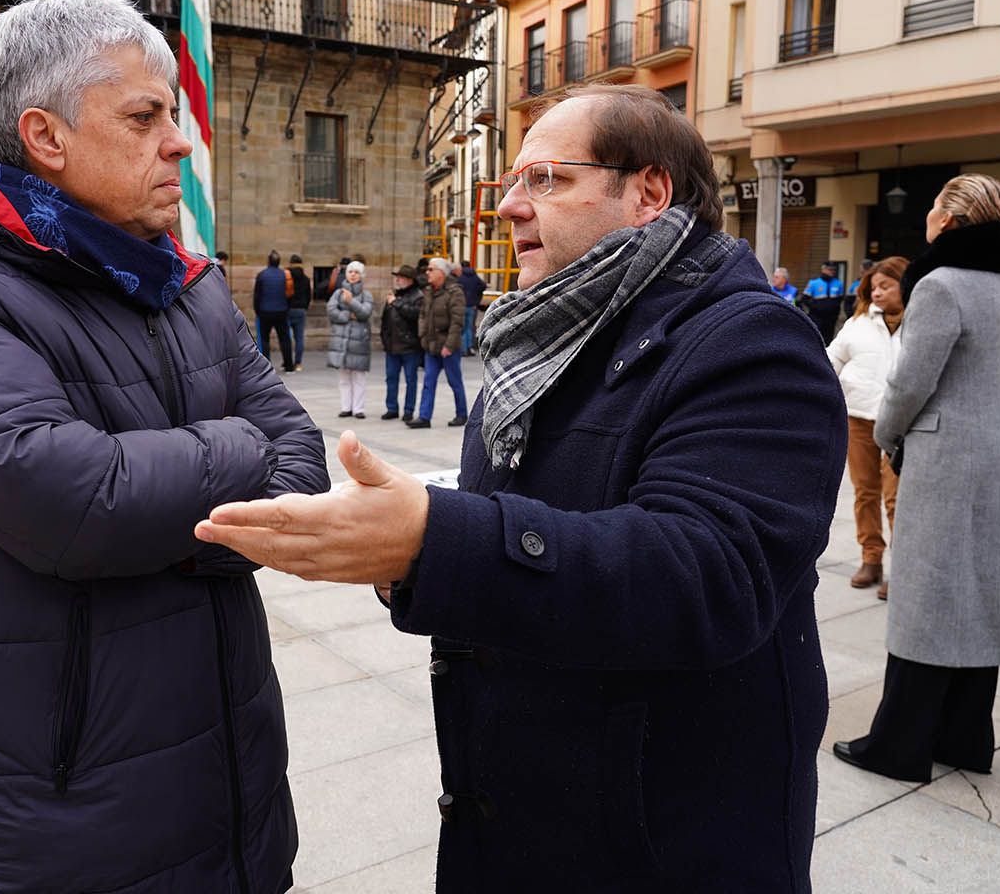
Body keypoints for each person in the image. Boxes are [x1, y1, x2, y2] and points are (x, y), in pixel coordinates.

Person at [196, 84, 846, 891]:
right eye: (511, 182)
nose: (508, 207)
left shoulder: (750, 340)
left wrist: (434, 539)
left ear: (648, 192)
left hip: (659, 841)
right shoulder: (550, 332)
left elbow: (712, 574)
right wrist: (406, 540)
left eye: (545, 179)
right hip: (523, 815)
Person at [0, 0, 327, 894]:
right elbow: (79, 504)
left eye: (174, 116)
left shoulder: (186, 279)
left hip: (235, 787)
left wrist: (177, 494)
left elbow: (300, 467)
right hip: (72, 806)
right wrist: (234, 455)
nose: (178, 143)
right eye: (145, 117)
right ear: (46, 137)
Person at [834, 173, 1000, 784]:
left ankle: (898, 746)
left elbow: (910, 382)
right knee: (978, 594)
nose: (927, 217)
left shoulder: (941, 285)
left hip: (945, 455)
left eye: (933, 209)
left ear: (950, 223)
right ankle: (963, 738)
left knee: (927, 600)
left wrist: (885, 434)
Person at [827, 256, 908, 596]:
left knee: (897, 499)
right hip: (859, 419)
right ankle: (870, 558)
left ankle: (901, 570)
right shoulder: (858, 323)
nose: (877, 293)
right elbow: (831, 360)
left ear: (905, 285)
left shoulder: (923, 322)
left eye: (886, 286)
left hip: (902, 426)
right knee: (865, 493)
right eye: (873, 287)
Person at [407, 257, 466, 428]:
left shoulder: (455, 292)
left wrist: (449, 345)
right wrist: (422, 335)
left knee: (455, 381)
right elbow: (423, 315)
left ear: (441, 272)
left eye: (431, 269)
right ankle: (424, 417)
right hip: (431, 346)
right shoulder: (428, 291)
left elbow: (457, 322)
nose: (427, 272)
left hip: (448, 346)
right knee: (428, 382)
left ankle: (461, 414)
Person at [326, 260, 373, 418]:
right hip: (342, 341)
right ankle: (346, 406)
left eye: (356, 272)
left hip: (359, 341)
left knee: (359, 376)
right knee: (344, 377)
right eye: (351, 272)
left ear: (361, 275)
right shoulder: (338, 293)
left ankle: (358, 408)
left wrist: (350, 302)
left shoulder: (366, 294)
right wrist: (347, 315)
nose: (353, 275)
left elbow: (365, 313)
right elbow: (331, 310)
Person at [379, 263, 423, 421]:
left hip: (410, 346)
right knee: (391, 378)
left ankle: (408, 410)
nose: (397, 280)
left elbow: (414, 315)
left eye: (401, 277)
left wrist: (395, 303)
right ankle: (392, 408)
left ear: (410, 279)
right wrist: (384, 339)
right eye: (397, 277)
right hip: (392, 346)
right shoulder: (394, 295)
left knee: (410, 380)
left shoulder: (418, 296)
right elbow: (385, 320)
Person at [252, 250, 294, 371]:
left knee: (264, 338)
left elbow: (257, 295)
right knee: (285, 338)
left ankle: (266, 365)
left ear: (269, 261)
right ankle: (289, 365)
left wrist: (257, 310)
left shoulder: (262, 275)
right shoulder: (284, 275)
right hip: (281, 311)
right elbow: (289, 294)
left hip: (265, 311)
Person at [801, 262, 844, 344]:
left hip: (831, 318)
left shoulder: (838, 284)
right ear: (823, 270)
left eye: (833, 270)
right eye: (830, 269)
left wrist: (834, 310)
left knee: (829, 339)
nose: (832, 271)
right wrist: (816, 307)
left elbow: (840, 299)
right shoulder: (813, 283)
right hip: (817, 316)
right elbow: (805, 299)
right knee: (816, 338)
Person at [454, 258, 486, 355]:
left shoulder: (459, 278)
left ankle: (463, 349)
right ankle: (470, 348)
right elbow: (483, 286)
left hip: (461, 305)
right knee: (470, 327)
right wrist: (476, 298)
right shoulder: (475, 276)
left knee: (462, 327)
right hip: (472, 306)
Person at [286, 253, 311, 370]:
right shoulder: (305, 279)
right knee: (299, 338)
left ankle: (288, 361)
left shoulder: (287, 277)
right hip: (301, 310)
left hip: (288, 309)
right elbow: (309, 295)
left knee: (286, 337)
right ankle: (298, 363)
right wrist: (304, 307)